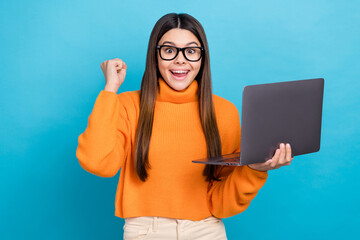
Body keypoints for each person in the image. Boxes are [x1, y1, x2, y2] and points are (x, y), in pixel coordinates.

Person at [76, 13, 294, 240]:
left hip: (207, 231)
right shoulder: (127, 106)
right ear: (155, 56)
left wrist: (255, 170)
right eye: (169, 50)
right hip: (145, 231)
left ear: (202, 58)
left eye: (191, 51)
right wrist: (110, 89)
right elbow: (97, 163)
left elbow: (222, 204)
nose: (181, 60)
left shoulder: (224, 112)